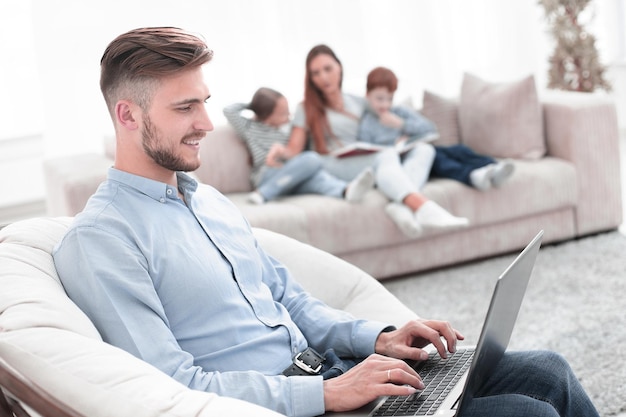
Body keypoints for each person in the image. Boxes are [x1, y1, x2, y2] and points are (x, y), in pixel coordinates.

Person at [53, 27, 599, 417]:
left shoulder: (211, 202)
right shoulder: (103, 240)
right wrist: (327, 396)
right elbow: (171, 388)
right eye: (184, 109)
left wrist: (380, 338)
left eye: (205, 103)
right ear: (128, 115)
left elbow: (291, 302)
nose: (207, 123)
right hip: (300, 405)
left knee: (547, 370)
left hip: (339, 375)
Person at [266, 44, 469, 238]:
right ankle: (422, 206)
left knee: (425, 150)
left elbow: (395, 120)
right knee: (385, 155)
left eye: (327, 69)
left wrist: (399, 128)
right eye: (315, 73)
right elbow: (294, 148)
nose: (323, 77)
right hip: (332, 163)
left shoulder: (359, 102)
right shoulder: (306, 107)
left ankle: (400, 206)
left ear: (340, 67)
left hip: (364, 158)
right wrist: (280, 151)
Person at [358, 66, 515, 192]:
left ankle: (494, 168)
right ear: (367, 95)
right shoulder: (366, 124)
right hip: (407, 163)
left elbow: (430, 128)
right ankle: (473, 176)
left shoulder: (399, 113)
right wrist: (393, 146)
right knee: (441, 161)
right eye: (379, 99)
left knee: (459, 150)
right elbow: (368, 154)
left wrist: (402, 124)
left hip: (420, 149)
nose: (385, 105)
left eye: (390, 99)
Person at [223, 87, 374, 204]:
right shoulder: (250, 128)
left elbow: (297, 151)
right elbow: (228, 110)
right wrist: (253, 106)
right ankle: (264, 192)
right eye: (283, 113)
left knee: (316, 177)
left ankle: (346, 191)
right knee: (312, 159)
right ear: (266, 116)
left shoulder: (288, 128)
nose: (288, 116)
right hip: (266, 175)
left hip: (290, 177)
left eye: (288, 112)